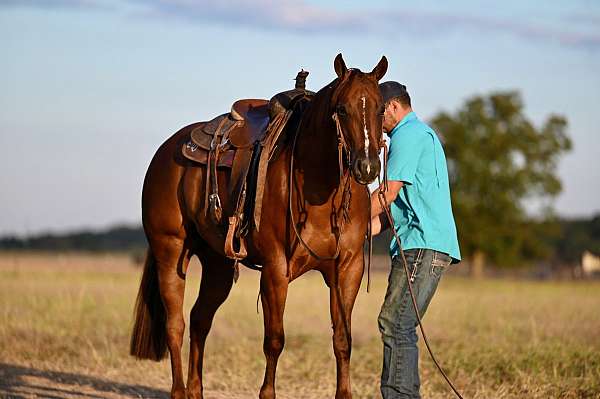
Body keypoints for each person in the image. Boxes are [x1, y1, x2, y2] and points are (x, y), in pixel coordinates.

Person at [370, 81, 461, 398]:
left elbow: (386, 195)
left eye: (377, 115)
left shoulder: (407, 136)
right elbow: (392, 212)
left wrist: (342, 212)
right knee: (400, 324)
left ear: (393, 107)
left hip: (420, 247)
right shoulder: (423, 134)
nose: (375, 124)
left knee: (396, 323)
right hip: (425, 244)